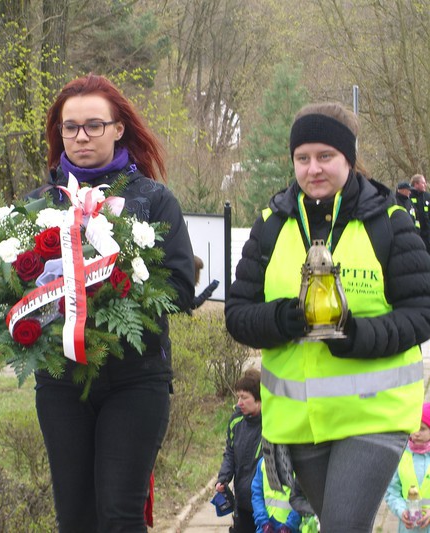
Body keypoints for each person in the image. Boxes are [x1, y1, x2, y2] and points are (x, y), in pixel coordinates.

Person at [225, 101, 430, 532]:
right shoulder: (271, 224)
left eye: (326, 157)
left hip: (375, 414)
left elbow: (422, 312)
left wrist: (354, 335)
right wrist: (283, 320)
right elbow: (238, 315)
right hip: (301, 422)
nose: (313, 169)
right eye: (303, 158)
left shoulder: (389, 222)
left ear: (349, 160)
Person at [31, 73, 195, 532]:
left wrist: (113, 292)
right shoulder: (38, 205)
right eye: (70, 127)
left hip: (135, 379)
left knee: (120, 516)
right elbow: (16, 288)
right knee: (74, 518)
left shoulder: (154, 200)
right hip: (61, 381)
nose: (81, 136)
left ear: (118, 128)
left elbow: (181, 289)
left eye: (94, 125)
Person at [216, 369, 263, 533]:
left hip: (266, 507)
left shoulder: (272, 425)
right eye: (238, 397)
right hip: (242, 503)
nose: (239, 403)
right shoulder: (235, 421)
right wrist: (223, 477)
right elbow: (230, 453)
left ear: (259, 399)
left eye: (244, 397)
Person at [386, 402, 430, 532]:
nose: (416, 433)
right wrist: (402, 511)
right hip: (409, 529)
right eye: (414, 427)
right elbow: (392, 492)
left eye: (422, 429)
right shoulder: (401, 456)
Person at [409, 174, 430, 252]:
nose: (425, 185)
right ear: (416, 184)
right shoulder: (408, 196)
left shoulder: (427, 196)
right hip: (415, 235)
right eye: (423, 183)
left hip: (427, 234)